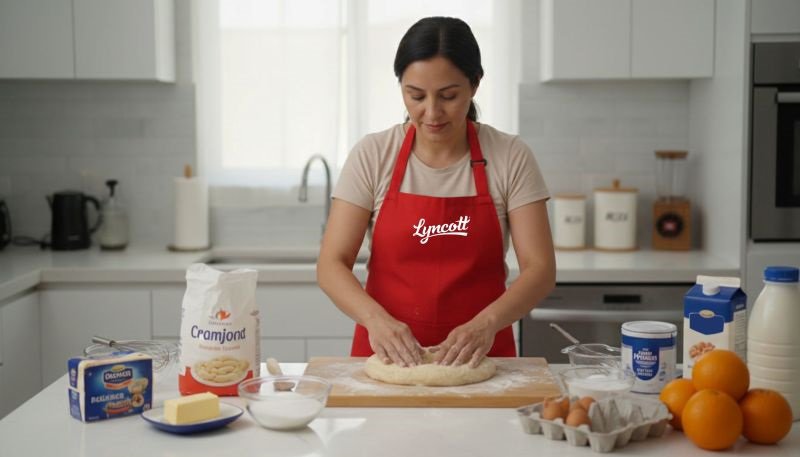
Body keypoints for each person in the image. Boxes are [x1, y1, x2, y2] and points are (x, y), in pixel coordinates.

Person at [317, 16, 555, 369]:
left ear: (475, 84)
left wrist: (486, 325)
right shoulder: (373, 154)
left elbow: (540, 269)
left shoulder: (509, 155)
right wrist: (375, 321)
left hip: (482, 360)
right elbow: (331, 264)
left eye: (448, 96)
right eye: (415, 96)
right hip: (387, 360)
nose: (431, 112)